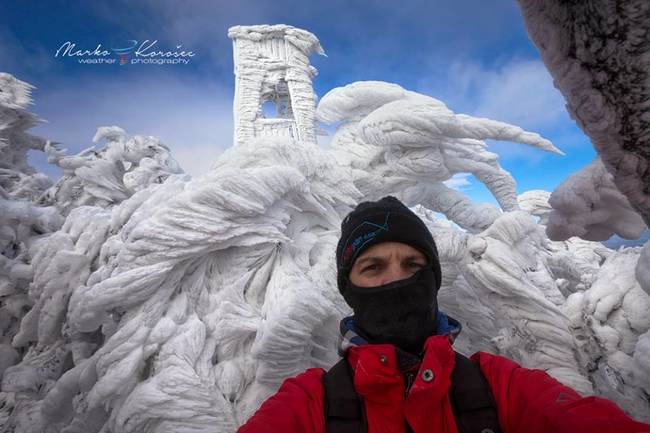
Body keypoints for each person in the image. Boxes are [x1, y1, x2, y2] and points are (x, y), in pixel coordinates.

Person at [237, 196, 650, 433]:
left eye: (413, 266)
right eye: (373, 267)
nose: (396, 280)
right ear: (349, 289)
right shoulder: (309, 403)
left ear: (433, 279)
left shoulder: (498, 385)